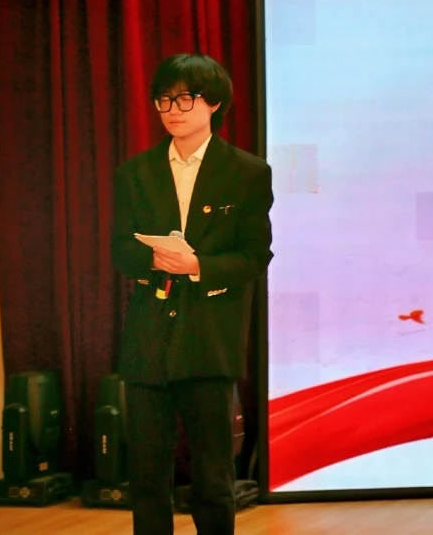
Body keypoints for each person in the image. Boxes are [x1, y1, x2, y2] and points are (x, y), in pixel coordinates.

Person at [111, 53, 274, 535]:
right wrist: (153, 259)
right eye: (164, 100)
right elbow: (120, 249)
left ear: (214, 103)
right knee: (146, 473)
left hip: (210, 336)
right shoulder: (135, 172)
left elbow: (254, 256)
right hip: (148, 334)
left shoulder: (246, 172)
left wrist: (198, 265)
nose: (172, 110)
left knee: (212, 474)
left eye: (184, 98)